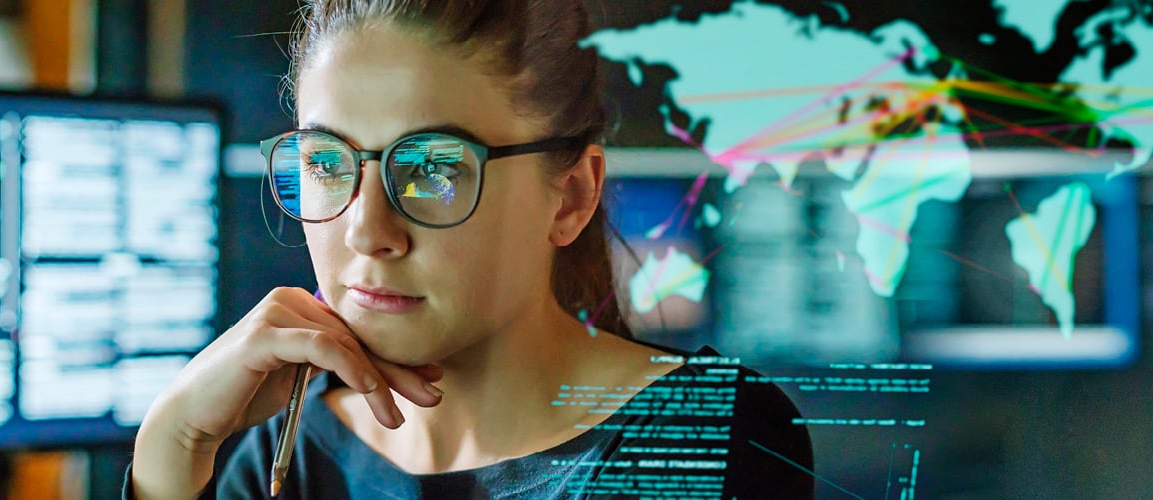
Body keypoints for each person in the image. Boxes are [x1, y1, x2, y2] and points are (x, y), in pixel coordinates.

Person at [128, 0, 814, 498]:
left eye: (433, 169)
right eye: (327, 163)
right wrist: (171, 446)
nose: (368, 231)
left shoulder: (709, 445)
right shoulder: (280, 459)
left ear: (571, 196)